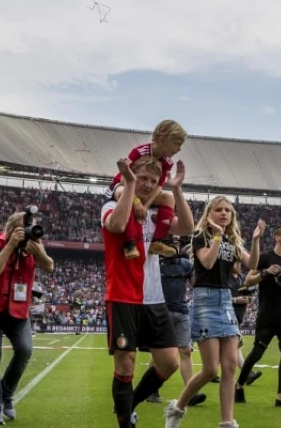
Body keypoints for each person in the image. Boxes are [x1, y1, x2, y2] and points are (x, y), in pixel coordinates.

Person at [103, 156, 194, 428]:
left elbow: (188, 228)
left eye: (153, 181)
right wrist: (129, 185)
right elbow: (117, 226)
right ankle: (125, 423)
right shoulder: (111, 205)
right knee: (126, 363)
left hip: (154, 299)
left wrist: (176, 189)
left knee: (169, 363)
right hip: (121, 296)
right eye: (141, 178)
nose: (147, 184)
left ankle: (127, 407)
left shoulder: (157, 213)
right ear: (130, 177)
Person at [164, 196, 264, 428]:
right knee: (210, 369)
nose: (223, 213)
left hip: (225, 302)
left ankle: (227, 422)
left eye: (227, 210)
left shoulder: (233, 239)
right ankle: (177, 408)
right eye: (218, 210)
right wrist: (217, 235)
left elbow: (252, 264)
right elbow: (207, 263)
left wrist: (256, 241)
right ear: (209, 214)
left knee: (229, 366)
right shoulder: (201, 236)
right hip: (205, 301)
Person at [0, 211, 54, 425]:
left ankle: (6, 394)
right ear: (11, 229)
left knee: (25, 350)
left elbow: (49, 266)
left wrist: (38, 252)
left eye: (31, 227)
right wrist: (10, 245)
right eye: (24, 228)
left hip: (17, 310)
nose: (29, 232)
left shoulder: (35, 245)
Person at [234, 226, 281, 408]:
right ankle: (239, 386)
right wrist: (265, 273)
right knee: (256, 354)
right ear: (277, 237)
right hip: (266, 316)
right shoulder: (265, 258)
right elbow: (248, 280)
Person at [106, 120, 188, 260]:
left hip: (145, 193)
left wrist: (145, 205)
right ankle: (129, 244)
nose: (179, 149)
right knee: (122, 195)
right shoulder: (139, 151)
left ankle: (158, 240)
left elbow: (158, 187)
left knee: (169, 198)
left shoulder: (168, 162)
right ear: (162, 138)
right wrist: (136, 201)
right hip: (123, 186)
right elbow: (125, 179)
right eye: (177, 144)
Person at [145, 237, 206, 407]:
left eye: (178, 242)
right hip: (161, 312)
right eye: (173, 241)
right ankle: (151, 389)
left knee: (186, 351)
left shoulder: (186, 264)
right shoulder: (155, 262)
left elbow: (195, 283)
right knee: (159, 354)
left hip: (182, 311)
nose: (176, 244)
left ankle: (190, 392)